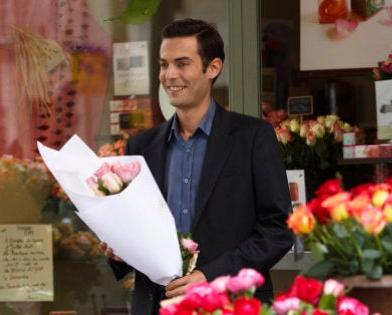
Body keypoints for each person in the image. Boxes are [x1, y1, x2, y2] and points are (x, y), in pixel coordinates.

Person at [101, 18, 293, 315]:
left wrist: (210, 276)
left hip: (232, 304)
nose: (169, 75)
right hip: (156, 305)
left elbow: (277, 230)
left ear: (213, 68)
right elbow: (135, 232)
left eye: (182, 63)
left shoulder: (253, 137)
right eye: (164, 64)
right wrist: (119, 251)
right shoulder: (140, 147)